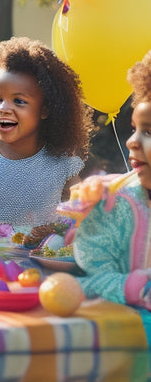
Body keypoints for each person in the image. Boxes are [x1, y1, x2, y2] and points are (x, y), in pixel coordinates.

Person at [0, 37, 95, 229]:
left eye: (19, 101)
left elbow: (78, 213)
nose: (3, 108)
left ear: (45, 110)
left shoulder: (63, 165)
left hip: (37, 258)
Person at [57, 50, 151, 309]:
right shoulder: (114, 204)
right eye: (135, 129)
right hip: (127, 338)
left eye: (149, 132)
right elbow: (89, 281)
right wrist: (135, 288)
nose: (132, 141)